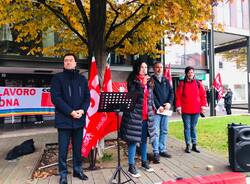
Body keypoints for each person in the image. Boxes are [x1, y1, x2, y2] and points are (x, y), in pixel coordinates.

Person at [51, 53, 90, 184]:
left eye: (70, 60)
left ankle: (77, 170)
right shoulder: (57, 78)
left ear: (75, 63)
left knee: (77, 148)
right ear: (63, 63)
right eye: (65, 60)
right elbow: (56, 98)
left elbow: (87, 98)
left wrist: (82, 110)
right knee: (62, 149)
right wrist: (71, 112)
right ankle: (62, 174)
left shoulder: (82, 79)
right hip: (64, 121)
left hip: (79, 120)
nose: (68, 62)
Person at [120, 60, 156, 178]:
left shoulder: (150, 81)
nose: (144, 69)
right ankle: (131, 166)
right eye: (141, 67)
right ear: (137, 68)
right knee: (133, 142)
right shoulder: (133, 81)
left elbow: (150, 99)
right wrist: (142, 85)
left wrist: (155, 108)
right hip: (134, 117)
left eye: (145, 67)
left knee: (144, 140)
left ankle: (144, 162)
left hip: (147, 116)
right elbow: (133, 97)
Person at [175, 66, 207, 153]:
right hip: (185, 110)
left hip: (196, 110)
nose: (190, 74)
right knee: (187, 128)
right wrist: (178, 107)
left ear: (194, 73)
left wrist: (203, 106)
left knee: (193, 127)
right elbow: (178, 96)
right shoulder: (182, 83)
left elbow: (203, 95)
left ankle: (194, 145)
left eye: (192, 72)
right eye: (189, 72)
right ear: (186, 74)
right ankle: (188, 145)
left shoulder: (198, 83)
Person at [151, 61, 174, 164]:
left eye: (161, 67)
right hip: (156, 110)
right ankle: (156, 152)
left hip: (165, 110)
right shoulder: (151, 80)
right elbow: (151, 95)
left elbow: (171, 93)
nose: (159, 69)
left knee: (164, 130)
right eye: (157, 67)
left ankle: (162, 149)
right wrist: (158, 106)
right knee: (155, 132)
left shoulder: (166, 79)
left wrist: (169, 103)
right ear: (153, 68)